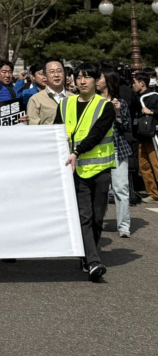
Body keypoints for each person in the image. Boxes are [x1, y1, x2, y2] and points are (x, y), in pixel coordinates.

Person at [56, 63, 114, 281]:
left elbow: (97, 134)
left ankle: (87, 254)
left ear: (97, 81)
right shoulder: (65, 104)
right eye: (78, 77)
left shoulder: (105, 106)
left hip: (99, 169)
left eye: (87, 77)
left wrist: (77, 151)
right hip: (75, 170)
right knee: (85, 216)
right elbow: (55, 133)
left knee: (98, 218)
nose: (82, 81)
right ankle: (93, 261)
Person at [97, 67, 132, 237]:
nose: (96, 80)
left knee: (121, 188)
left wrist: (117, 111)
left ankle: (124, 226)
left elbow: (126, 127)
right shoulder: (92, 102)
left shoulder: (121, 102)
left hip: (118, 149)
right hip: (97, 151)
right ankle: (98, 221)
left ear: (108, 81)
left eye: (100, 78)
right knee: (100, 189)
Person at [132, 72, 158, 203]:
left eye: (135, 83)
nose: (133, 85)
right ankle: (153, 193)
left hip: (152, 136)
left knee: (155, 164)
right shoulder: (135, 97)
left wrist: (152, 112)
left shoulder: (153, 97)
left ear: (142, 83)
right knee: (144, 166)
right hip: (140, 135)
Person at [28, 58, 74, 125]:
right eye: (52, 72)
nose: (56, 75)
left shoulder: (74, 97)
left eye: (59, 71)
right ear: (45, 75)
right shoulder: (36, 100)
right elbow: (33, 129)